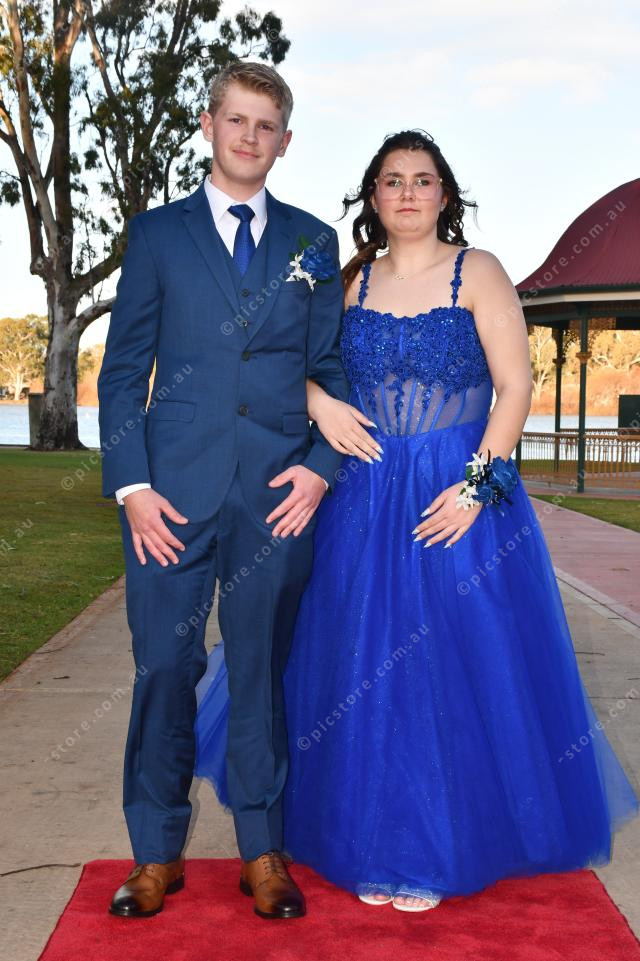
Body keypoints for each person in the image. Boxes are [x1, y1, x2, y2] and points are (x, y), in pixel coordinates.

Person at [194, 129, 639, 912]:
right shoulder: (348, 281)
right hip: (361, 495)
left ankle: (437, 845)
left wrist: (475, 490)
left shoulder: (480, 272)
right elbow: (287, 365)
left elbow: (516, 389)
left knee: (446, 670)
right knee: (357, 667)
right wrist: (322, 403)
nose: (407, 192)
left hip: (456, 497)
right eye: (392, 179)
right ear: (372, 196)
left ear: (444, 194)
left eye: (422, 179)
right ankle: (363, 836)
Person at [97, 61, 349, 921]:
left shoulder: (314, 242)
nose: (249, 136)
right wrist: (132, 484)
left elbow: (329, 369)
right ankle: (155, 852)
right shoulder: (156, 235)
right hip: (167, 497)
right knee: (164, 666)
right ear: (209, 125)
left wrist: (320, 466)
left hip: (277, 495)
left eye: (265, 125)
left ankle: (263, 851)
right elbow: (122, 371)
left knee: (261, 670)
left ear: (285, 140)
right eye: (236, 120)